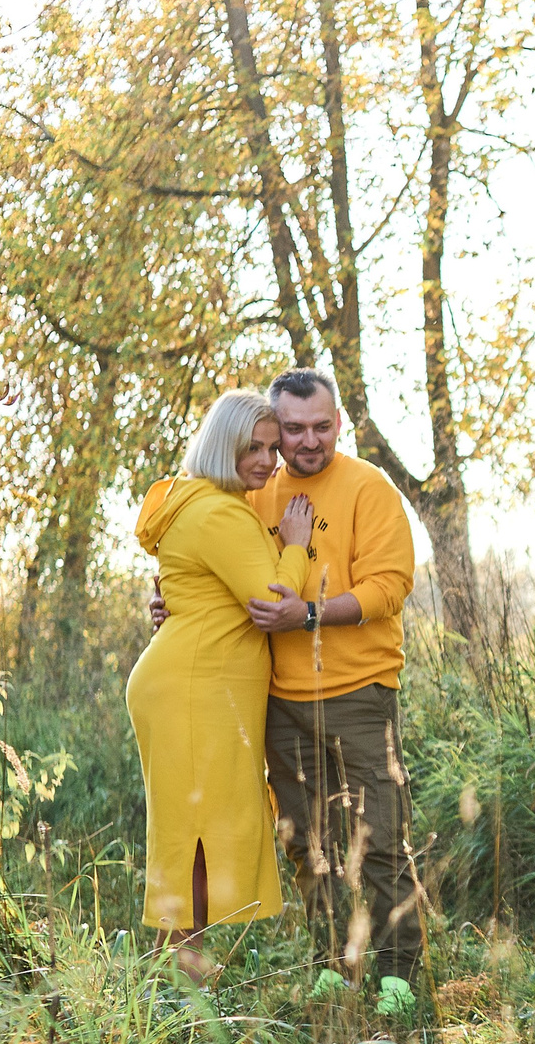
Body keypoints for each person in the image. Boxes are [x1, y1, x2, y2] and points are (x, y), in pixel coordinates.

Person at [150, 367, 420, 1008]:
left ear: (338, 423)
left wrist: (311, 614)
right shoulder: (257, 487)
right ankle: (332, 966)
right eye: (290, 431)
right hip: (277, 698)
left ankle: (397, 981)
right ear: (271, 431)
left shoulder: (368, 488)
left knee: (381, 839)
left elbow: (389, 587)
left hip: (360, 692)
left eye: (320, 427)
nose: (304, 444)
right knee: (308, 842)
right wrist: (172, 606)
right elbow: (218, 570)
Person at [127, 390, 313, 982]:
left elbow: (193, 589)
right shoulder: (220, 512)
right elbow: (270, 601)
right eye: (250, 448)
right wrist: (296, 547)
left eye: (271, 450)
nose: (265, 461)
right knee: (195, 838)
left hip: (192, 680)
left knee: (192, 832)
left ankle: (179, 985)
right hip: (194, 688)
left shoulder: (203, 501)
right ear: (221, 445)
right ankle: (182, 987)